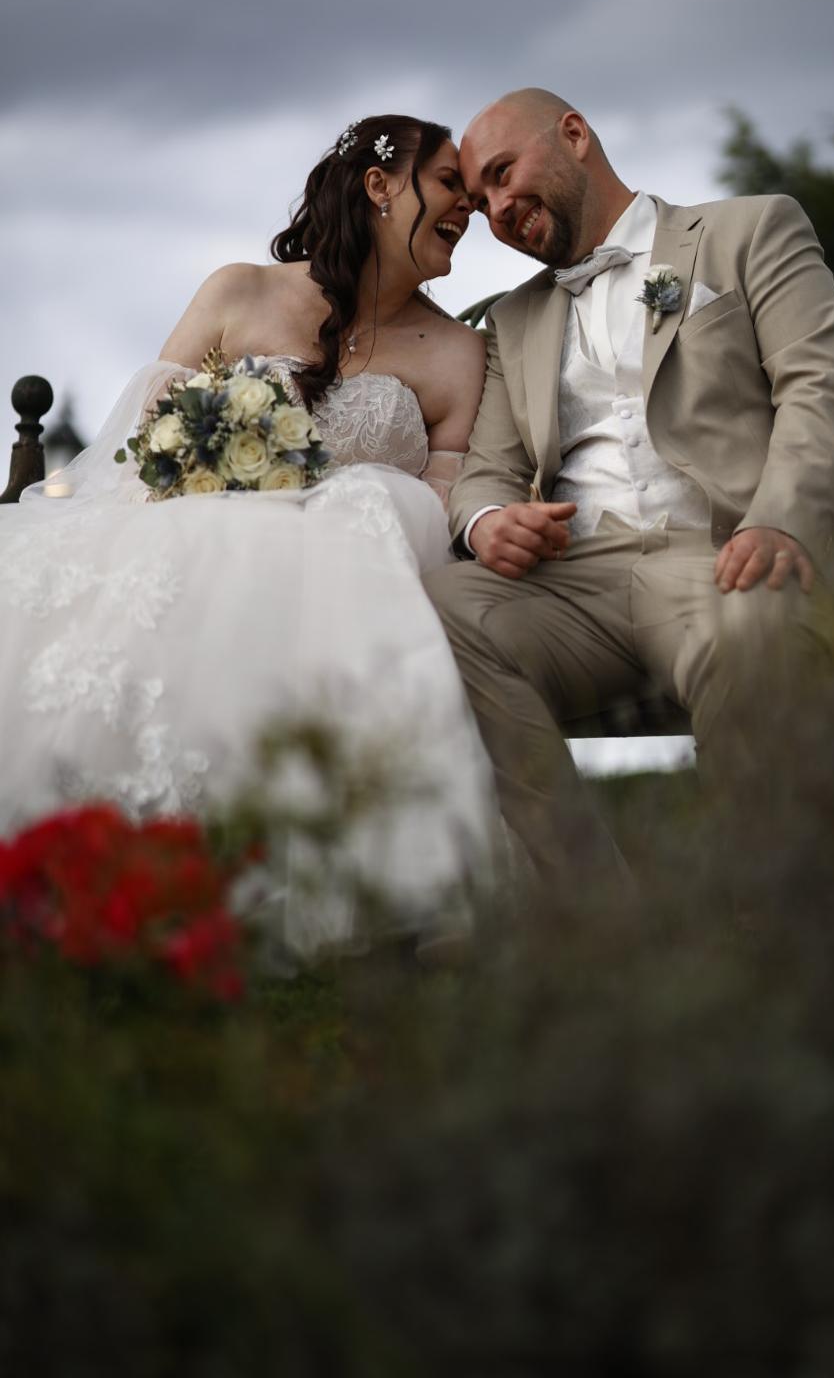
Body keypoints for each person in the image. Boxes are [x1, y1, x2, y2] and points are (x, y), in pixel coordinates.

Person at [0, 115, 499, 953]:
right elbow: (142, 448)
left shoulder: (457, 353)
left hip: (344, 588)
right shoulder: (240, 292)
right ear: (379, 185)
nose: (471, 207)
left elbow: (445, 509)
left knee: (361, 508)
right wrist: (218, 469)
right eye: (451, 183)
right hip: (184, 546)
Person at [424, 88, 834, 892]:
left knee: (752, 633)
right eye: (481, 198)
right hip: (578, 585)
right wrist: (490, 520)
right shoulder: (513, 320)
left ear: (573, 135)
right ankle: (597, 913)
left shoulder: (750, 230)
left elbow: (821, 386)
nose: (496, 208)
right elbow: (487, 469)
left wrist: (781, 522)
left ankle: (774, 912)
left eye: (503, 173)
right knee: (442, 607)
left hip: (724, 555)